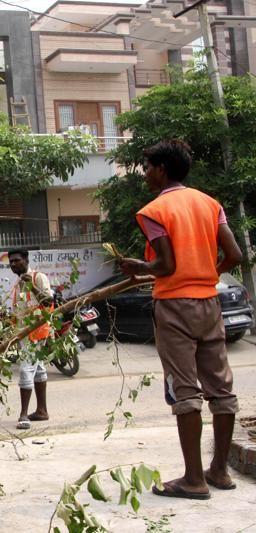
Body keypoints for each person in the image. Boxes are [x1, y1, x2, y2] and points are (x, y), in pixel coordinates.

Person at [118, 139, 241, 500]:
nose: (144, 175)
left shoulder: (153, 211)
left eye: (147, 168)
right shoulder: (210, 203)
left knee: (184, 390)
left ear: (162, 170)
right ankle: (218, 471)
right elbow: (233, 255)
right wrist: (206, 274)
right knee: (221, 388)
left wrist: (139, 266)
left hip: (174, 306)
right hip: (209, 302)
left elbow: (165, 266)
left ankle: (193, 479)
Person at [8, 249, 53, 430]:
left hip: (36, 331)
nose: (13, 264)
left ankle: (24, 415)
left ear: (26, 260)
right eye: (10, 262)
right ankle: (42, 411)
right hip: (23, 333)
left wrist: (32, 286)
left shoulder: (38, 278)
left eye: (16, 261)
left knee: (26, 369)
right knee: (39, 369)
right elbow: (19, 311)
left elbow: (48, 302)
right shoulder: (17, 284)